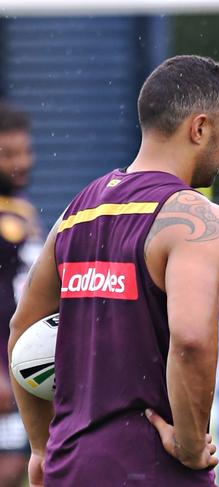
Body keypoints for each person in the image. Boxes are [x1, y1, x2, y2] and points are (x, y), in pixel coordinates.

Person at [8, 55, 219, 486]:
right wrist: (190, 446)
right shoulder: (195, 219)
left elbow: (22, 327)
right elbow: (190, 340)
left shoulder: (78, 211)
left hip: (69, 467)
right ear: (199, 128)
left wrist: (40, 450)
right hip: (149, 469)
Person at [0, 102, 41, 487]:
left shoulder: (22, 210)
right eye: (9, 154)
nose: (22, 161)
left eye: (25, 151)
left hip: (19, 369)